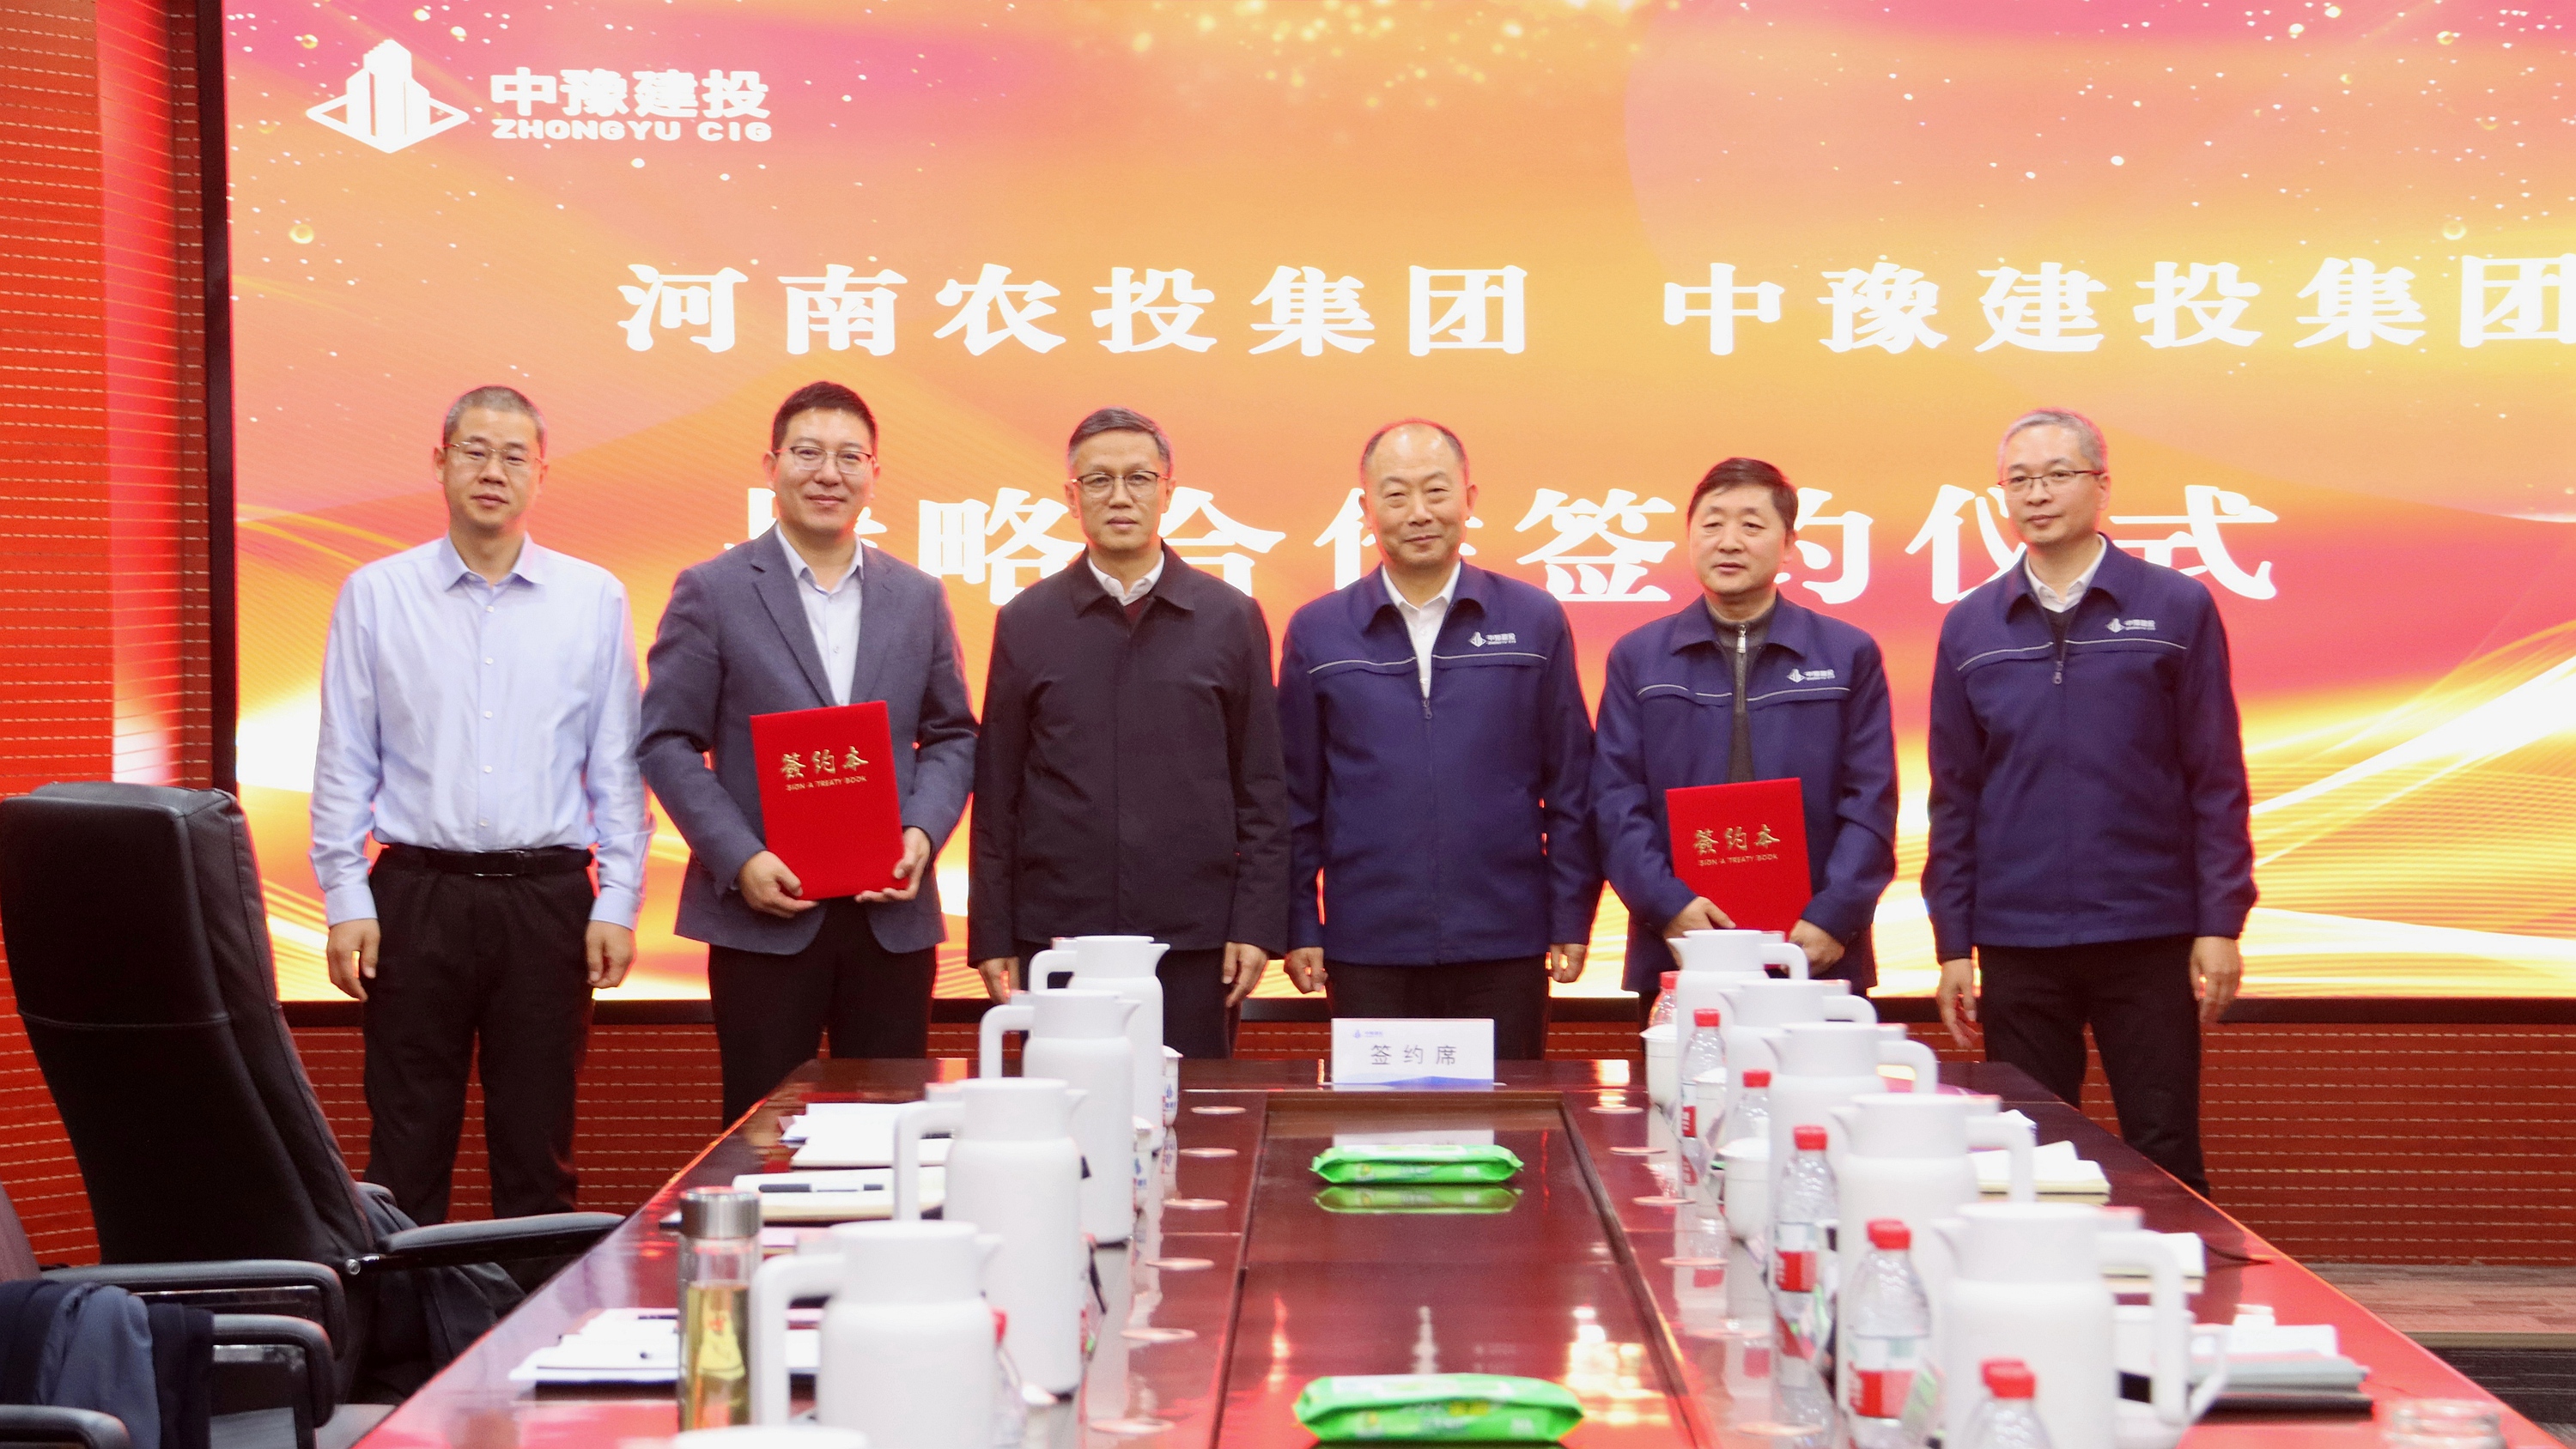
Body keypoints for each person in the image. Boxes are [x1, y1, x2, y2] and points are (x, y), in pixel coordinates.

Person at [312, 385, 649, 1224]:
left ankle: (533, 1312)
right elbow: (345, 758)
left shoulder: (593, 597)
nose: (492, 471)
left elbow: (617, 764)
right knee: (405, 1152)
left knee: (539, 1155)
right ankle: (401, 1319)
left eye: (513, 456)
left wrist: (618, 900)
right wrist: (346, 897)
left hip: (548, 901)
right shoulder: (376, 593)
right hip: (415, 897)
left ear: (541, 474)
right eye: (474, 451)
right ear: (440, 462)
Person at [1926, 408, 2251, 1197]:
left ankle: (2178, 1277)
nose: (2037, 494)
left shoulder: (2175, 607)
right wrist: (1952, 943)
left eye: (2057, 475)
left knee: (2163, 1143)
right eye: (2019, 480)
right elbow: (1955, 796)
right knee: (2028, 1151)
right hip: (2018, 935)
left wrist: (2219, 922)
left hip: (2148, 929)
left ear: (2102, 485)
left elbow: (2214, 775)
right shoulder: (1971, 625)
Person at [638, 380, 976, 1125]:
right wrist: (740, 859)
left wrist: (921, 834)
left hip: (889, 918)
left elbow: (953, 733)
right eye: (808, 453)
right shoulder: (713, 590)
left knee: (891, 1128)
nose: (830, 473)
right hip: (764, 915)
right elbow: (666, 740)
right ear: (772, 465)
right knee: (762, 1136)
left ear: (874, 474)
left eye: (850, 457)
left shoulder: (918, 596)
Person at [969, 407, 1288, 1058]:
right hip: (1060, 939)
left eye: (1139, 478)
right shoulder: (1026, 621)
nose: (1120, 496)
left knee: (1191, 1109)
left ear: (1169, 491)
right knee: (1065, 1106)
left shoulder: (1229, 617)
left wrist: (1256, 923)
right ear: (1072, 497)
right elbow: (997, 794)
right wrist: (993, 933)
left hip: (1195, 940)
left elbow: (1262, 787)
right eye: (1099, 480)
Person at [1275, 421, 1597, 1058]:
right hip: (1366, 946)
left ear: (1469, 499)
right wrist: (1300, 923)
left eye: (1436, 491)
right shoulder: (1318, 631)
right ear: (1366, 510)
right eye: (1396, 495)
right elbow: (1294, 799)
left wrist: (1569, 915)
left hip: (1506, 941)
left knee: (1503, 1118)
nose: (1419, 512)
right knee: (1378, 1119)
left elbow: (1572, 784)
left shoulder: (1533, 619)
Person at [1591, 458, 1898, 1018]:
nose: (1729, 541)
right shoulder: (1639, 657)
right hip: (1679, 946)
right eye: (1712, 524)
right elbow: (1614, 800)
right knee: (1686, 1078)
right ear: (1690, 536)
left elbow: (1871, 799)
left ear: (1789, 545)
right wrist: (1668, 906)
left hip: (1815, 949)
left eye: (1752, 525)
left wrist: (1835, 916)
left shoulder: (1847, 653)